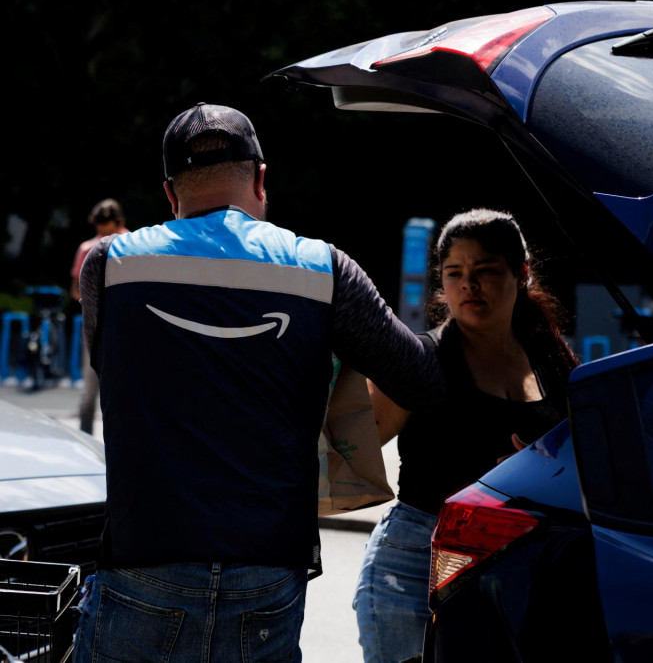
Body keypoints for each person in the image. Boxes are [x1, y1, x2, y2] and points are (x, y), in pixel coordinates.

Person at [72, 103, 443, 663]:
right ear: (261, 179)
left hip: (143, 563)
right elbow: (420, 381)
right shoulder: (324, 269)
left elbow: (111, 366)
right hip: (269, 571)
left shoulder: (108, 265)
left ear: (170, 194)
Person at [353, 208, 578, 663]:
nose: (468, 284)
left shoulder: (552, 359)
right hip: (415, 568)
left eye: (485, 270)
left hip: (523, 566)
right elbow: (343, 448)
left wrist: (543, 474)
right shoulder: (421, 360)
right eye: (454, 273)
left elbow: (590, 456)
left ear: (521, 274)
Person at [70, 198, 128, 434]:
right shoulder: (87, 248)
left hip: (125, 326)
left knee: (124, 387)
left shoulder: (132, 243)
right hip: (95, 325)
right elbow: (75, 289)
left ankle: (123, 440)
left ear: (118, 222)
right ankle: (86, 438)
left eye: (107, 227)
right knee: (90, 388)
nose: (103, 233)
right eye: (99, 227)